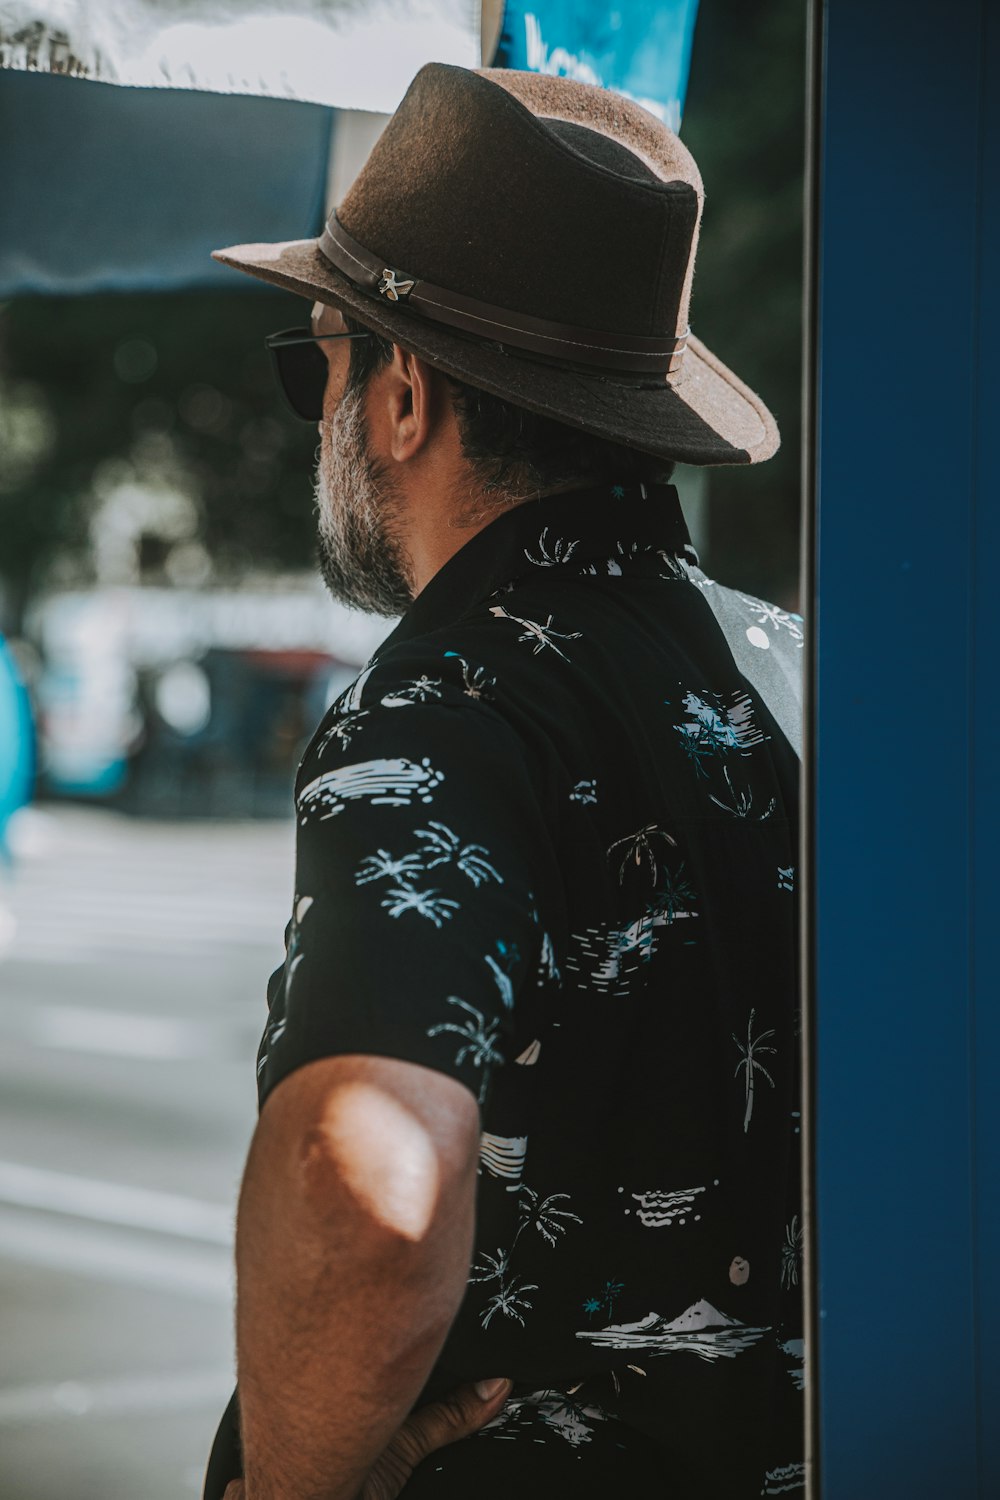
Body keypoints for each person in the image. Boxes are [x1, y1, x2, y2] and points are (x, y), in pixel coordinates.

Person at [206, 62, 804, 1500]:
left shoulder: (450, 706)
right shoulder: (793, 670)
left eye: (318, 366)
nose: (322, 410)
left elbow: (363, 1195)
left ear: (403, 396)